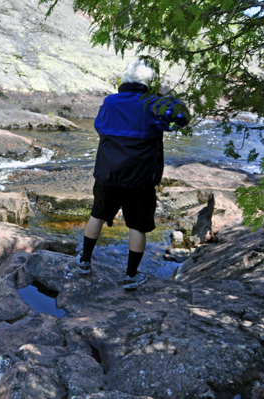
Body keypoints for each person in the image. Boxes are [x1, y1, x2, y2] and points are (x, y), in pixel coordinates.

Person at [77, 59, 189, 290]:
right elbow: (182, 118)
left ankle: (84, 262)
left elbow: (100, 126)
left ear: (124, 80)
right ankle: (130, 276)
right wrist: (167, 97)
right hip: (140, 178)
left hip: (108, 173)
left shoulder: (110, 102)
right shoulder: (154, 103)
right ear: (147, 83)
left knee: (96, 215)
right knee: (137, 226)